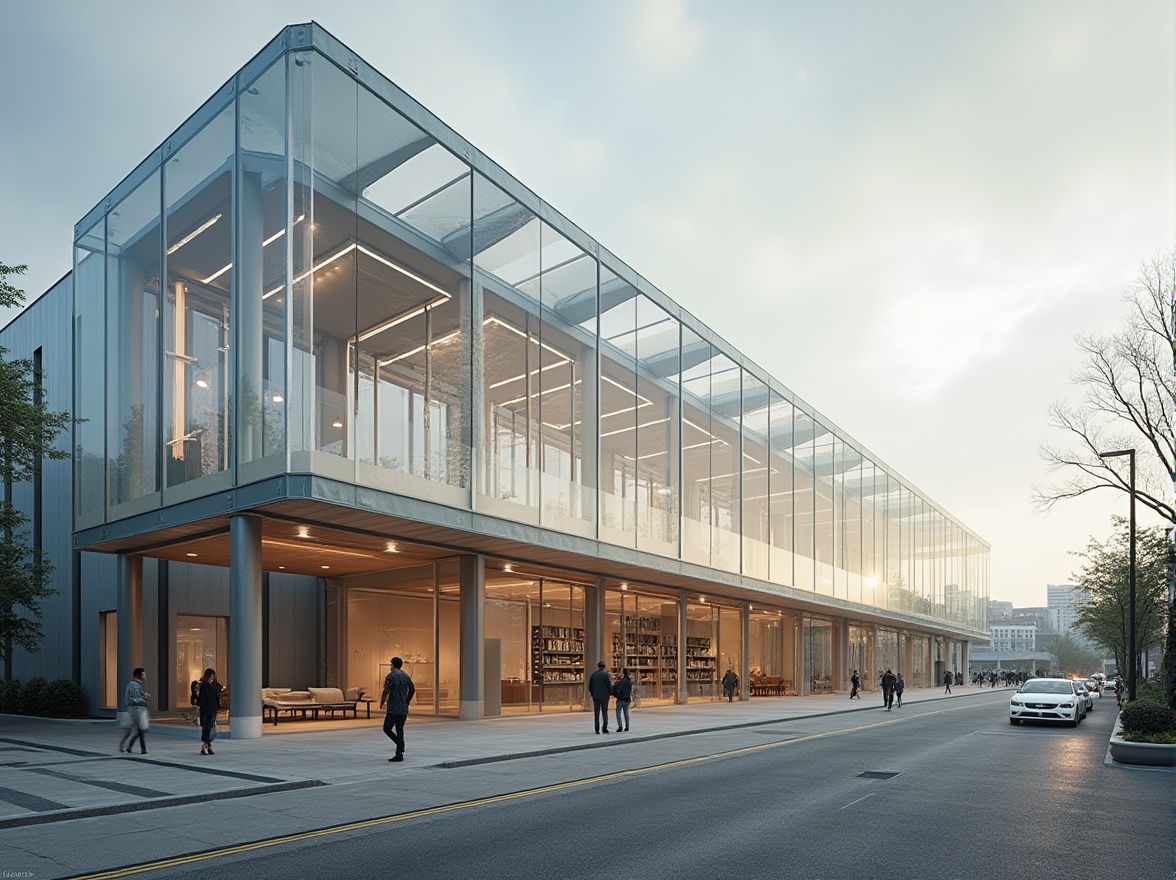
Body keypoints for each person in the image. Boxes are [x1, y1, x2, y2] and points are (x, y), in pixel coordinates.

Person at [380, 656, 416, 762]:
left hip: (393, 708)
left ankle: (400, 745)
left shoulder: (390, 676)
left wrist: (382, 702)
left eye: (391, 664)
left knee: (387, 728)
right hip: (403, 708)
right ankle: (399, 752)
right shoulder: (406, 676)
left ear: (393, 665)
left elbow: (386, 691)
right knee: (400, 729)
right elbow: (412, 689)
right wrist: (407, 700)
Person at [118, 668, 150, 754]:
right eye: (143, 675)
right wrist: (144, 699)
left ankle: (130, 746)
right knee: (140, 729)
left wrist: (143, 695)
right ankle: (143, 749)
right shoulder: (134, 685)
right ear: (138, 675)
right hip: (136, 709)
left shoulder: (136, 685)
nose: (144, 677)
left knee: (139, 730)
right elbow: (133, 699)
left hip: (137, 709)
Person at [195, 668, 223, 755]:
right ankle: (206, 745)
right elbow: (201, 699)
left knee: (211, 727)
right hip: (205, 709)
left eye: (213, 676)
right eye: (210, 676)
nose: (212, 677)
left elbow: (220, 688)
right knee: (207, 727)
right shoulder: (204, 686)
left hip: (213, 708)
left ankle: (207, 745)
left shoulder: (214, 686)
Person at [588, 660, 612, 733]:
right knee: (604, 713)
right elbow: (609, 686)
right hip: (604, 696)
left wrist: (593, 694)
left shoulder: (593, 675)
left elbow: (590, 686)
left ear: (598, 667)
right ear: (604, 667)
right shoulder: (605, 675)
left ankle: (597, 728)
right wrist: (609, 693)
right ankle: (604, 728)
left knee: (596, 713)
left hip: (596, 696)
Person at [612, 668, 633, 732]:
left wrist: (617, 680)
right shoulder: (629, 681)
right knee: (626, 713)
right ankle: (627, 726)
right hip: (626, 699)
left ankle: (620, 726)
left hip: (620, 699)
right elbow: (630, 690)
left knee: (618, 712)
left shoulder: (620, 681)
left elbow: (615, 687)